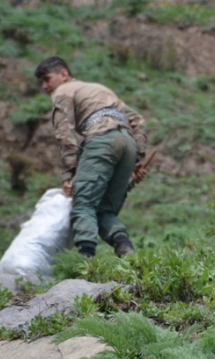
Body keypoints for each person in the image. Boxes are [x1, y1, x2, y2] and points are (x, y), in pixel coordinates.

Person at [35, 57, 149, 258]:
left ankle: (86, 264)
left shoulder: (62, 92)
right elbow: (138, 120)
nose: (45, 86)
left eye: (47, 79)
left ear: (63, 74)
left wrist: (69, 175)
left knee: (84, 203)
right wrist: (137, 158)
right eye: (41, 82)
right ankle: (129, 254)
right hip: (127, 144)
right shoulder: (98, 89)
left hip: (102, 140)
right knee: (104, 210)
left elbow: (64, 134)